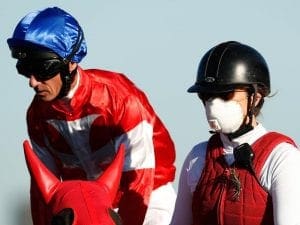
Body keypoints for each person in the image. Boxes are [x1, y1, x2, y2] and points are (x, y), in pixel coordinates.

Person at [7, 6, 176, 225]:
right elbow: (43, 192)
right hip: (85, 209)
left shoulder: (119, 98)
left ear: (71, 62)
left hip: (149, 197)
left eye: (42, 69)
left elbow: (139, 180)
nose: (33, 82)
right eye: (25, 70)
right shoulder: (37, 116)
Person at [170, 41, 300, 225]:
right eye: (207, 95)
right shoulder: (197, 158)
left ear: (256, 97)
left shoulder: (282, 159)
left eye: (226, 95)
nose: (213, 104)